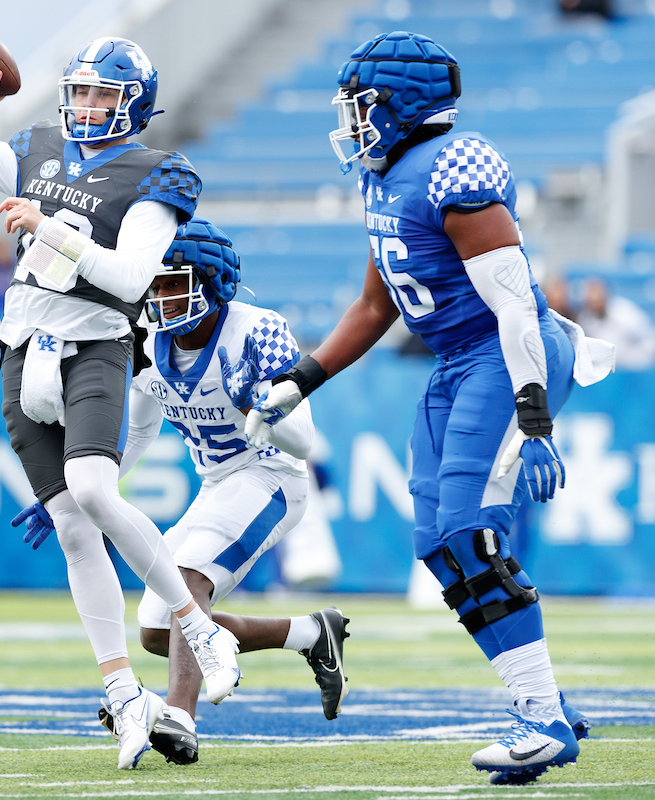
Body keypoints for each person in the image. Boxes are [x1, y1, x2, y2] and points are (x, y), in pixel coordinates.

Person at [247, 32, 613, 785]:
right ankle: (544, 700)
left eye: (362, 107)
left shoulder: (454, 169)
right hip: (455, 364)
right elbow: (376, 304)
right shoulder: (385, 180)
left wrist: (535, 420)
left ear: (402, 105)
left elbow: (515, 308)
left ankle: (541, 719)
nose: (350, 123)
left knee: (470, 535)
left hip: (510, 355)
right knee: (439, 546)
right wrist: (301, 378)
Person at [0, 37, 244, 769]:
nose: (88, 106)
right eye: (82, 92)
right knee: (70, 525)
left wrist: (50, 230)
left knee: (95, 489)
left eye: (104, 95)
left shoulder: (157, 172)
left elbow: (129, 280)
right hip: (22, 347)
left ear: (134, 105)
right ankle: (124, 693)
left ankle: (200, 630)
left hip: (96, 344)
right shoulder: (38, 149)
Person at [17, 219, 350, 765]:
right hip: (217, 482)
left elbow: (304, 441)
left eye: (176, 283)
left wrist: (262, 405)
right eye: (158, 284)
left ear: (214, 282)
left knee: (188, 581)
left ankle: (179, 718)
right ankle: (312, 634)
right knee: (156, 627)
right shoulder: (148, 342)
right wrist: (80, 487)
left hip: (271, 476)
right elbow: (142, 430)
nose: (163, 295)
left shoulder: (257, 329)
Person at [578, 277, 655, 371]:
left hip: (632, 369)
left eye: (597, 295)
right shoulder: (585, 318)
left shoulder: (624, 312)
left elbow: (647, 339)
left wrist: (636, 361)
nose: (594, 299)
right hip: (606, 373)